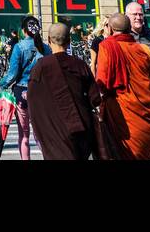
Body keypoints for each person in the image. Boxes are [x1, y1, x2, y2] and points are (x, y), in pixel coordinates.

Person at [96, 12, 150, 160]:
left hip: (123, 116)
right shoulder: (145, 50)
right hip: (149, 116)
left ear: (109, 28)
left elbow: (102, 82)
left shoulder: (106, 46)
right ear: (129, 29)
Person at [26, 22, 102, 160]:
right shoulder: (80, 65)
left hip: (52, 131)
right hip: (81, 128)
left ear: (49, 40)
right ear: (69, 40)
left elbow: (32, 101)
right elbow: (95, 98)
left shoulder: (40, 67)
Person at [0, 15, 51, 160]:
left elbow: (13, 74)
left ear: (23, 30)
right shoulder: (46, 48)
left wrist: (2, 83)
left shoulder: (19, 47)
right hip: (40, 92)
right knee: (40, 133)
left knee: (24, 134)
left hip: (21, 91)